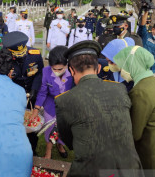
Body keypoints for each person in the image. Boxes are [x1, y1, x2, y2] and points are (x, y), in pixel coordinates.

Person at [55, 40, 143, 176]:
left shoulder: (64, 100)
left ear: (71, 71)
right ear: (99, 69)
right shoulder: (120, 89)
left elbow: (69, 141)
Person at [113, 46, 155, 177]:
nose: (121, 71)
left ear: (132, 64)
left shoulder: (140, 92)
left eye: (123, 66)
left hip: (152, 157)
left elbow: (134, 133)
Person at [2, 31, 44, 156]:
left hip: (31, 95)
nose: (21, 56)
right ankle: (14, 149)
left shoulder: (35, 55)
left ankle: (32, 149)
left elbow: (39, 73)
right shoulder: (4, 59)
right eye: (17, 55)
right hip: (13, 98)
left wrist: (34, 90)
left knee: (31, 126)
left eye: (22, 53)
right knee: (14, 124)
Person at [30, 46, 72, 159]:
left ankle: (60, 145)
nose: (57, 72)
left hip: (67, 106)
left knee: (64, 129)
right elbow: (43, 92)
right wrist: (36, 110)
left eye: (61, 69)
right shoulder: (46, 72)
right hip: (50, 105)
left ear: (67, 65)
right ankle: (48, 151)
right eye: (54, 69)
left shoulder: (73, 72)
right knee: (50, 128)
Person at [137, 11, 155, 81]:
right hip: (141, 69)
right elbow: (142, 25)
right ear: (153, 30)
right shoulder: (146, 36)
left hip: (153, 71)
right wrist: (146, 11)